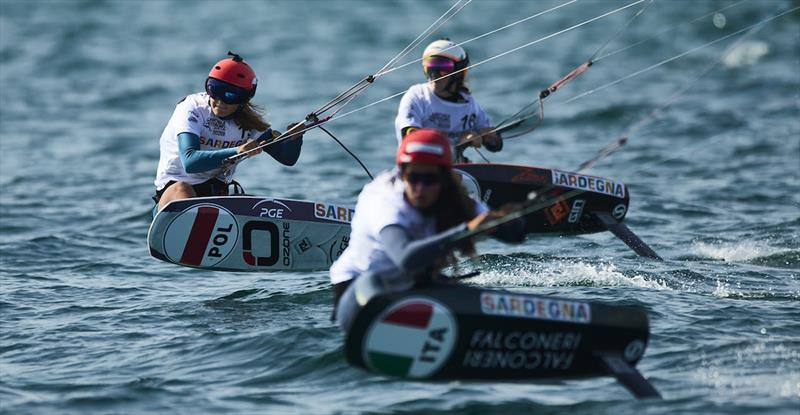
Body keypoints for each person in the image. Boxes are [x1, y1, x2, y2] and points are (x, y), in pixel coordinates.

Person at [330, 129, 524, 331]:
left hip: (411, 287)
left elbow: (515, 235)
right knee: (377, 285)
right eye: (413, 178)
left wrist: (506, 220)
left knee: (490, 305)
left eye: (429, 179)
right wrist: (466, 230)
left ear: (444, 179)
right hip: (359, 293)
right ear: (403, 174)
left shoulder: (455, 198)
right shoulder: (385, 199)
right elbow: (405, 258)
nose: (420, 188)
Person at [153, 52, 303, 214]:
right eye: (215, 91)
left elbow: (287, 159)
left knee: (262, 206)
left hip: (217, 196)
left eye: (229, 95)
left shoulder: (250, 122)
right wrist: (238, 151)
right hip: (174, 194)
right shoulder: (192, 108)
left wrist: (295, 138)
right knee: (183, 189)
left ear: (244, 98)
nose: (219, 102)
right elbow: (191, 163)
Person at [394, 39, 502, 163]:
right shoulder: (417, 96)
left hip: (454, 171)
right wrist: (459, 141)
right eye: (430, 67)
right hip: (419, 170)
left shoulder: (469, 104)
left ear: (460, 72)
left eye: (443, 67)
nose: (434, 74)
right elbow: (411, 141)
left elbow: (497, 146)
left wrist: (488, 137)